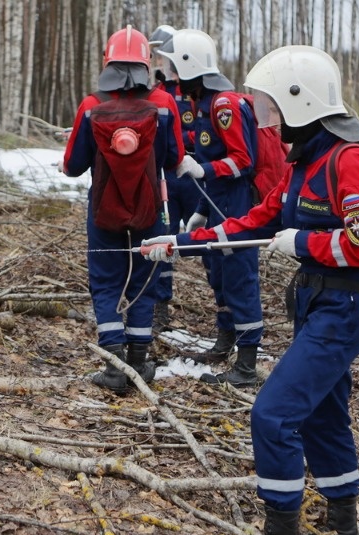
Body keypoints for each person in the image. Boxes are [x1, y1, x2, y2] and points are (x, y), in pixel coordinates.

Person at [142, 45, 359, 535]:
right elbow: (253, 219)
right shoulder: (305, 162)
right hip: (315, 302)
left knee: (272, 415)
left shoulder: (346, 160)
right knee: (323, 415)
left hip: (343, 305)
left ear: (300, 104)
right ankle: (344, 532)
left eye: (272, 107)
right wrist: (182, 244)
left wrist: (304, 240)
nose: (266, 118)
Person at [62, 26, 183, 393]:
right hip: (151, 209)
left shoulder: (91, 105)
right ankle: (138, 361)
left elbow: (73, 165)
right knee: (144, 281)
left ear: (107, 61)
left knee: (106, 282)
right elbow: (175, 157)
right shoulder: (163, 103)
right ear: (147, 63)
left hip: (103, 209)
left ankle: (114, 368)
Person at [155, 29, 263, 386]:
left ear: (190, 67)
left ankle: (246, 364)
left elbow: (242, 162)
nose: (170, 75)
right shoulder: (205, 103)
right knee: (217, 273)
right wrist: (201, 207)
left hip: (236, 207)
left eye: (174, 67)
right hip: (216, 204)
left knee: (238, 279)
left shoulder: (223, 104)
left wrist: (204, 169)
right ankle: (225, 341)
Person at [148, 25, 201, 333]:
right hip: (167, 173)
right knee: (163, 237)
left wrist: (188, 140)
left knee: (207, 238)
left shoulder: (196, 88)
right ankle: (160, 304)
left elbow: (209, 134)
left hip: (195, 173)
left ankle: (227, 314)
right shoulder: (158, 90)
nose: (159, 60)